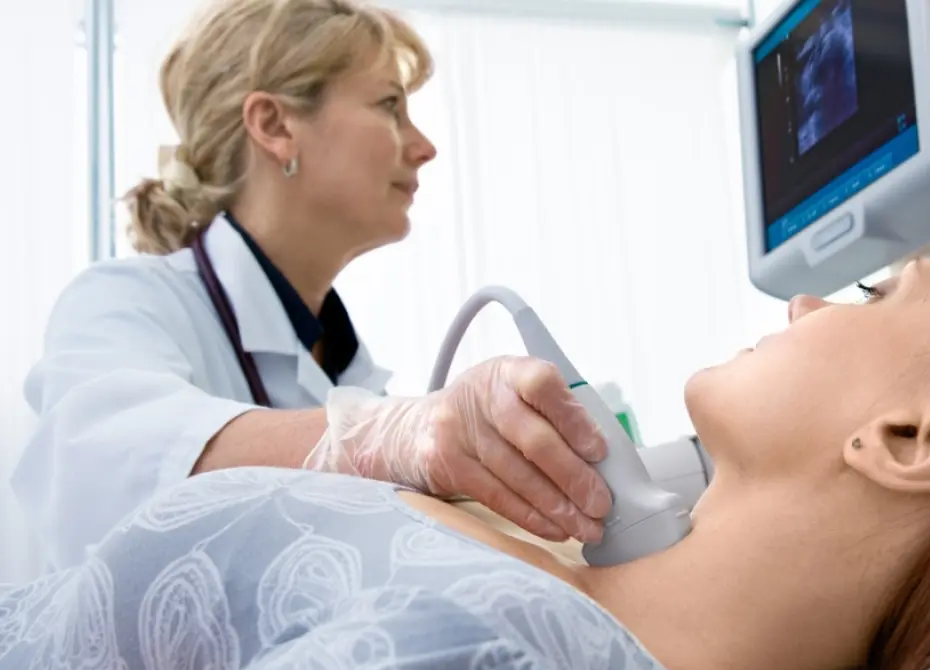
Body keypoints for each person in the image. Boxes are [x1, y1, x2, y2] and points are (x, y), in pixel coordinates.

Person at [2, 255, 930, 670]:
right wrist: (405, 447)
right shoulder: (566, 608)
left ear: (909, 439)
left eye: (876, 292)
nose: (806, 300)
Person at [10, 0, 613, 572]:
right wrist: (385, 437)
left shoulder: (346, 367)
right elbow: (99, 462)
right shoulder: (125, 302)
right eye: (389, 106)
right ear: (275, 126)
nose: (425, 148)